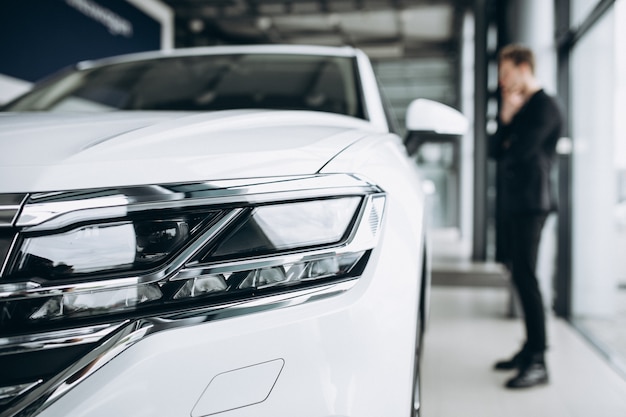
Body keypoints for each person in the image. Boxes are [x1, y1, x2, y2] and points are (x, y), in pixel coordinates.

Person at [488, 44, 563, 389]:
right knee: (519, 276)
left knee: (528, 278)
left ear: (522, 67)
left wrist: (509, 130)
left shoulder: (544, 106)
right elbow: (494, 152)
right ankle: (530, 348)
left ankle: (539, 360)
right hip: (518, 202)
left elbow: (518, 153)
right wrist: (505, 117)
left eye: (505, 73)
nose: (502, 81)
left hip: (534, 203)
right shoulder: (517, 107)